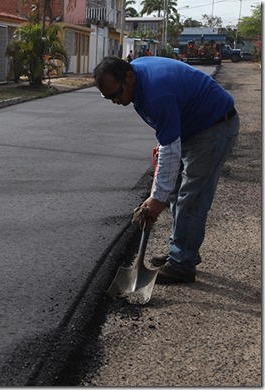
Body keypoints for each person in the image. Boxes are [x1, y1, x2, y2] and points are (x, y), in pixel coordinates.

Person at [93, 56, 239, 284]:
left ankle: (182, 265)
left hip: (214, 127)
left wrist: (155, 200)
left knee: (190, 198)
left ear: (129, 77)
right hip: (189, 127)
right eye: (107, 97)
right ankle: (182, 250)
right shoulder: (137, 78)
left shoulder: (157, 94)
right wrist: (159, 193)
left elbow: (171, 148)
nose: (114, 101)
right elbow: (167, 139)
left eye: (116, 94)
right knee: (173, 192)